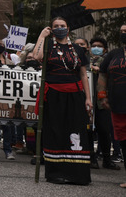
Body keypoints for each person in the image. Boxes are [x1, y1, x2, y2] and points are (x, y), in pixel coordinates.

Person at [29, 16, 91, 185]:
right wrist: (42, 36)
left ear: (68, 28)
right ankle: (56, 173)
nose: (59, 28)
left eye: (62, 25)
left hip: (74, 95)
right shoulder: (48, 46)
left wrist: (88, 98)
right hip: (54, 95)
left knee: (75, 132)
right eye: (56, 26)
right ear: (52, 28)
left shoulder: (78, 49)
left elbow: (83, 74)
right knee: (55, 131)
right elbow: (36, 56)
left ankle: (77, 173)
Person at [98, 24, 126, 188]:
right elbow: (102, 75)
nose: (124, 33)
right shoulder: (113, 55)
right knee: (124, 142)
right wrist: (102, 97)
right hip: (117, 106)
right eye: (122, 31)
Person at [89, 36, 119, 170]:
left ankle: (107, 158)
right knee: (88, 130)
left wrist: (100, 69)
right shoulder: (85, 62)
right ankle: (91, 158)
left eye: (99, 46)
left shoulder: (109, 62)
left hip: (102, 101)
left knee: (104, 129)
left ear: (105, 49)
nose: (96, 48)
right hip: (88, 100)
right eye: (93, 46)